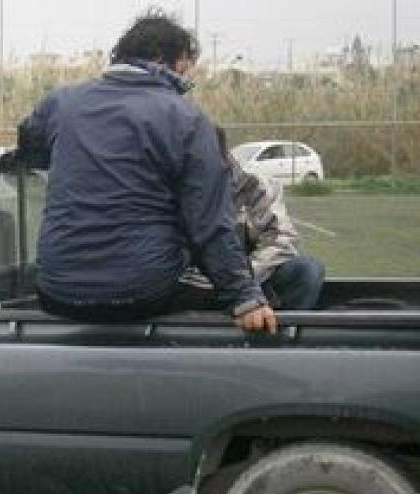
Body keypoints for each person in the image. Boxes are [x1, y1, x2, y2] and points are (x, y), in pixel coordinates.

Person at [17, 11, 277, 334]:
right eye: (184, 68)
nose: (186, 81)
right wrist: (245, 297)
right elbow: (210, 224)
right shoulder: (188, 120)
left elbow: (28, 150)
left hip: (56, 292)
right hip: (142, 293)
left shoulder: (59, 103)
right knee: (285, 286)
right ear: (160, 59)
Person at [216, 127, 325, 309]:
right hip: (195, 284)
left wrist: (241, 281)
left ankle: (283, 326)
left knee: (308, 269)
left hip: (251, 276)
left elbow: (281, 241)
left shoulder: (257, 186)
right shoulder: (174, 192)